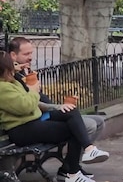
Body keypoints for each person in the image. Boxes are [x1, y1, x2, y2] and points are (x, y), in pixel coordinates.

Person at [8, 37, 107, 180]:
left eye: (31, 53)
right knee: (85, 126)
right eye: (26, 54)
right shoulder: (10, 79)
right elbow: (28, 104)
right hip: (31, 121)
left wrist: (59, 105)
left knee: (95, 119)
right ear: (13, 56)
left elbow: (39, 98)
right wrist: (54, 105)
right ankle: (72, 168)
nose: (30, 57)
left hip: (39, 115)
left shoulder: (25, 72)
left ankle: (75, 164)